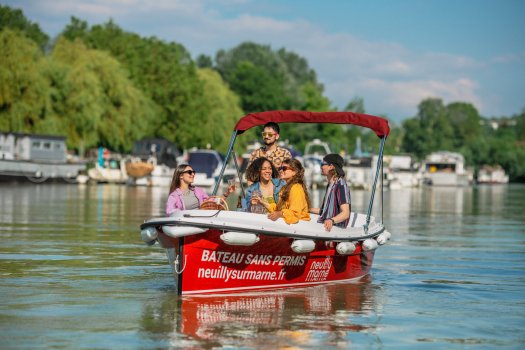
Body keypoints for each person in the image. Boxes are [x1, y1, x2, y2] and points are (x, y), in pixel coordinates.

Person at [256, 158, 311, 224]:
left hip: (299, 227)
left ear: (294, 172)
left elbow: (295, 213)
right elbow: (278, 208)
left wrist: (280, 214)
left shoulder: (296, 188)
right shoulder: (285, 188)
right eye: (280, 168)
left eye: (284, 168)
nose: (281, 170)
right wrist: (261, 201)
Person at [165, 164, 233, 215]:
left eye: (193, 172)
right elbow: (169, 211)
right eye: (189, 172)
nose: (193, 174)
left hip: (201, 220)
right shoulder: (174, 196)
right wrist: (187, 213)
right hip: (187, 222)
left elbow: (213, 202)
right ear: (181, 176)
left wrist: (227, 193)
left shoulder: (198, 191)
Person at [310, 154, 351, 231]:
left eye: (322, 164)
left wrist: (332, 220)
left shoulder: (340, 185)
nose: (321, 166)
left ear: (331, 166)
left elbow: (346, 213)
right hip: (324, 224)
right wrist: (307, 209)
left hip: (334, 228)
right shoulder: (330, 185)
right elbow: (324, 211)